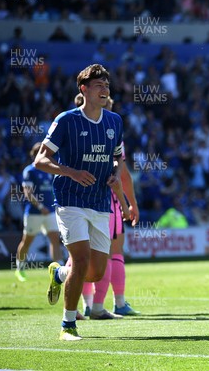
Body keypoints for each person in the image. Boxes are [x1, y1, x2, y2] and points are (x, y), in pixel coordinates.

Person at [35, 64, 124, 340]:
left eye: (107, 86)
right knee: (81, 258)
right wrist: (70, 171)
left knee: (96, 273)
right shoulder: (66, 120)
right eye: (99, 85)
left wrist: (115, 175)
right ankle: (68, 325)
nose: (105, 90)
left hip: (99, 202)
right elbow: (40, 160)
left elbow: (118, 158)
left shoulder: (114, 122)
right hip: (70, 199)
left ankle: (60, 273)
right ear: (84, 89)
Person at [77, 96, 141, 319]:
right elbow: (122, 177)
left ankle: (83, 305)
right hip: (105, 203)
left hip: (75, 203)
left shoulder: (73, 128)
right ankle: (106, 305)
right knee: (111, 254)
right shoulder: (109, 133)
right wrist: (129, 204)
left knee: (79, 256)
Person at [15, 142, 63, 282]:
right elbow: (27, 192)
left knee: (55, 239)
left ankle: (58, 270)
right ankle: (20, 267)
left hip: (50, 212)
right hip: (34, 213)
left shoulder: (49, 170)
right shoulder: (30, 170)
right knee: (27, 241)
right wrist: (41, 206)